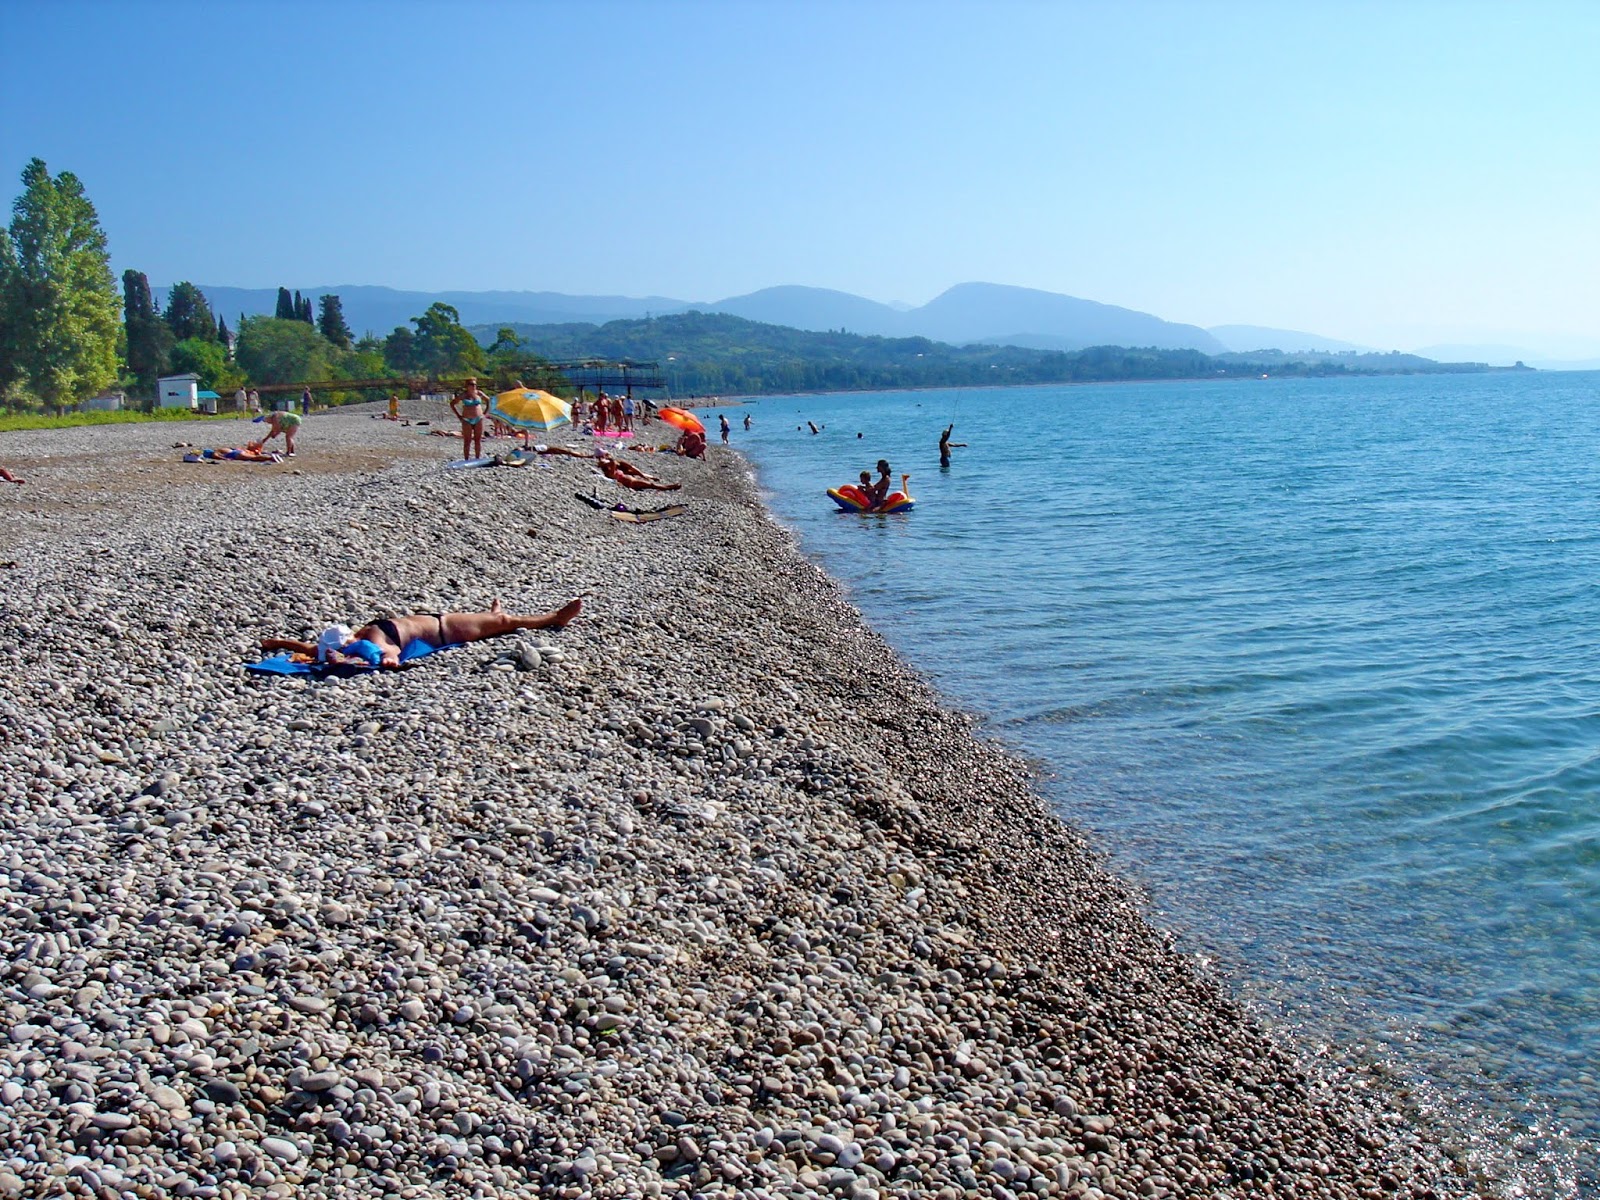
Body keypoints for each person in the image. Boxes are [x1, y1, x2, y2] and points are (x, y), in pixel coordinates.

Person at [262, 598, 582, 670]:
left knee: (494, 619)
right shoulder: (370, 642)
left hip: (440, 621)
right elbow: (391, 654)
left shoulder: (358, 638)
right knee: (507, 622)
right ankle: (554, 619)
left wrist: (277, 643)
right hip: (445, 630)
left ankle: (492, 612)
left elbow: (309, 647)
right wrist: (389, 661)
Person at [450, 377, 489, 460]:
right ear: (467, 386)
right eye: (471, 384)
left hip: (478, 418)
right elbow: (452, 404)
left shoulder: (479, 393)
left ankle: (477, 458)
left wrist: (485, 413)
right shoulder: (463, 395)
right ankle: (466, 459)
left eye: (475, 384)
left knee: (478, 440)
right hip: (466, 419)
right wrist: (458, 416)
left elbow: (488, 400)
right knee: (467, 441)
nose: (474, 386)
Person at [598, 454, 681, 491]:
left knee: (650, 484)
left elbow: (614, 463)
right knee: (651, 485)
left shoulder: (612, 471)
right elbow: (613, 463)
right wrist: (608, 460)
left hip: (632, 480)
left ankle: (668, 487)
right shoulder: (609, 473)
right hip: (632, 482)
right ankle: (669, 487)